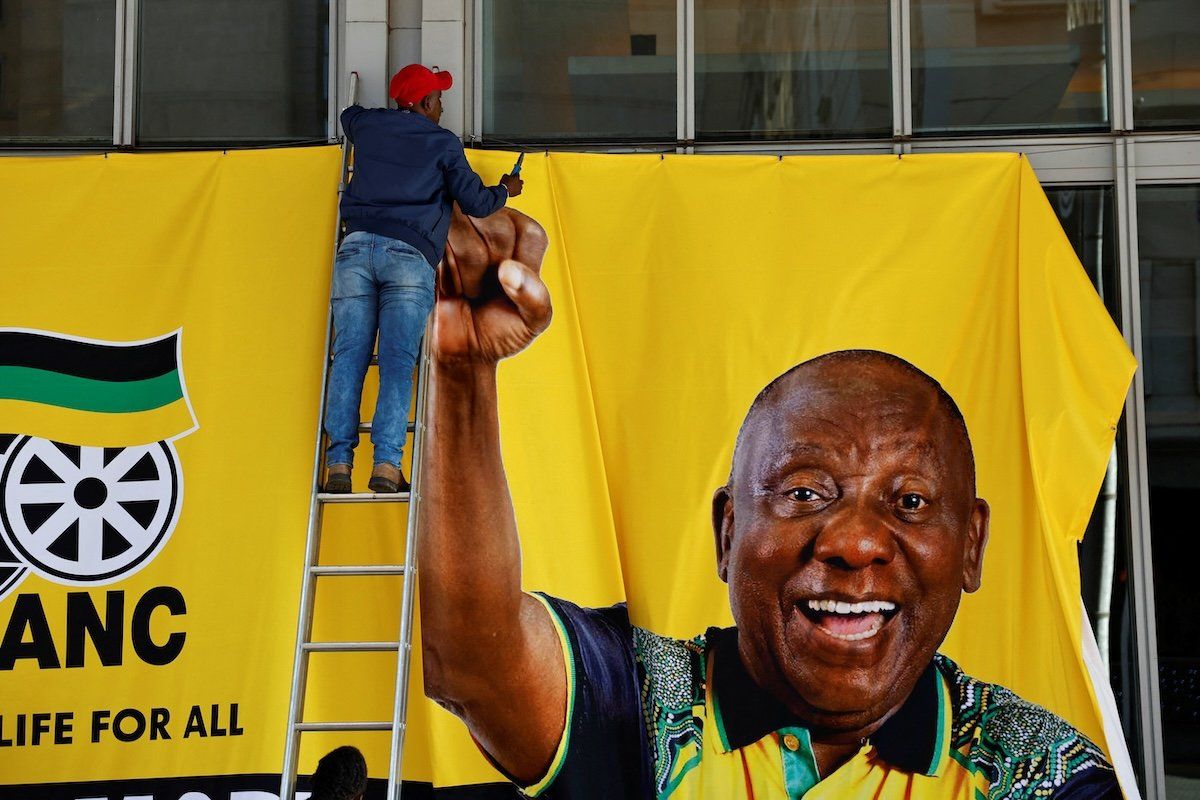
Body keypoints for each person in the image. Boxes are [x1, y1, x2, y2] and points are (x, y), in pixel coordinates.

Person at [416, 211, 1122, 799]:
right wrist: (462, 372)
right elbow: (475, 662)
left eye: (908, 501)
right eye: (806, 493)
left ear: (970, 546)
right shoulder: (644, 704)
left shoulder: (1037, 775)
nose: (855, 543)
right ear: (728, 531)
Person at [323, 63, 522, 494]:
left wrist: (386, 117)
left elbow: (348, 116)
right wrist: (506, 189)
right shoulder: (442, 143)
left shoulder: (370, 126)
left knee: (350, 357)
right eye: (439, 101)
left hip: (355, 251)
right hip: (407, 258)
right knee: (396, 362)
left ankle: (338, 462)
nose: (443, 109)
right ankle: (387, 466)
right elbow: (476, 203)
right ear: (426, 103)